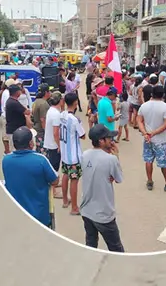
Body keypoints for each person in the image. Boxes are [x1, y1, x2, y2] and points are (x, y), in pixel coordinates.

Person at [2, 127, 60, 230]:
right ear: (30, 143)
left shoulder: (6, 160)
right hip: (39, 216)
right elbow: (55, 181)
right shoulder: (40, 160)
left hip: (16, 216)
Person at [79, 124, 125, 252]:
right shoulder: (111, 159)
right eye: (109, 138)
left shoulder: (85, 155)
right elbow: (119, 178)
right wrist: (116, 155)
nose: (112, 140)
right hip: (104, 214)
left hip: (86, 210)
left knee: (91, 244)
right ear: (101, 141)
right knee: (116, 249)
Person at [137, 85, 166, 192]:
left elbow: (139, 120)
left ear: (152, 94)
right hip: (160, 140)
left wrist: (145, 133)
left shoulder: (144, 106)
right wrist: (153, 133)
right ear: (163, 95)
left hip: (147, 139)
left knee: (148, 160)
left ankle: (150, 181)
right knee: (164, 163)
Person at [59, 93, 86, 214]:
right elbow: (83, 135)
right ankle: (74, 207)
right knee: (74, 180)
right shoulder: (74, 120)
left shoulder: (62, 115)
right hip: (73, 157)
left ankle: (65, 200)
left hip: (65, 153)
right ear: (75, 103)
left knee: (65, 175)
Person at [43, 93, 66, 199]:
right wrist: (59, 145)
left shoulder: (51, 111)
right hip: (53, 144)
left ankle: (55, 183)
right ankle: (53, 191)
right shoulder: (56, 114)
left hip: (49, 142)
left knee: (54, 166)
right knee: (54, 167)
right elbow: (56, 132)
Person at [3, 83, 30, 155]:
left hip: (15, 129)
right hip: (14, 130)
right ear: (16, 92)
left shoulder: (13, 101)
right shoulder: (13, 102)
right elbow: (26, 112)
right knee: (15, 151)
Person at [97, 86, 120, 156]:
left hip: (101, 127)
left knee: (101, 148)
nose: (115, 98)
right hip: (108, 130)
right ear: (112, 95)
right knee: (109, 150)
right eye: (115, 96)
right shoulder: (108, 104)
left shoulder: (100, 101)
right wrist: (116, 118)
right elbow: (109, 119)